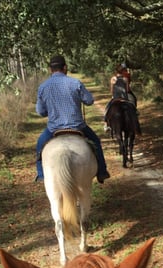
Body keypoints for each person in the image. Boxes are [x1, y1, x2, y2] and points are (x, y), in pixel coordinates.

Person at [35, 55, 110, 184]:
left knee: (40, 146)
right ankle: (102, 172)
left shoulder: (43, 87)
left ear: (50, 69)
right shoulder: (75, 83)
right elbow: (89, 101)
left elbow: (41, 112)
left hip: (54, 129)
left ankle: (41, 175)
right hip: (77, 127)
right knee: (96, 142)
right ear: (65, 68)